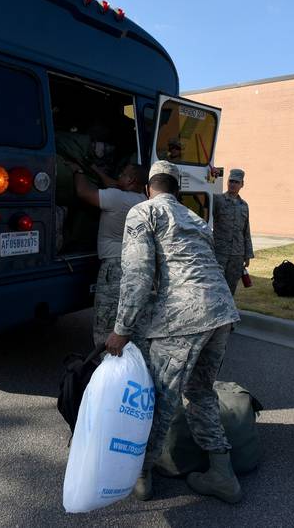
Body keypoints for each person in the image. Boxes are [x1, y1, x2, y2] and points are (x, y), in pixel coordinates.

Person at [104, 160, 242, 504]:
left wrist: (122, 328)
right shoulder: (195, 218)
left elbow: (136, 274)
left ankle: (141, 475)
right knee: (200, 391)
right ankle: (223, 474)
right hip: (222, 311)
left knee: (157, 399)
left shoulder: (144, 211)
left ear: (148, 187)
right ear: (177, 189)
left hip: (184, 315)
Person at [70, 162, 148, 349]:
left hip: (114, 268)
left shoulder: (116, 198)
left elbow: (83, 192)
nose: (118, 175)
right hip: (135, 265)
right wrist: (97, 170)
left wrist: (78, 171)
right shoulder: (143, 199)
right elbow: (114, 185)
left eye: (122, 173)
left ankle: (104, 367)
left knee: (105, 322)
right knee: (126, 318)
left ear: (131, 180)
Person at [213, 168, 254, 296]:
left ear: (242, 184)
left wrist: (247, 254)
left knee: (231, 287)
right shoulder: (218, 200)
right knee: (216, 285)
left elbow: (246, 230)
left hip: (237, 254)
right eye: (231, 181)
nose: (232, 184)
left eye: (236, 182)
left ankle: (228, 313)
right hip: (220, 252)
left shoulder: (244, 205)